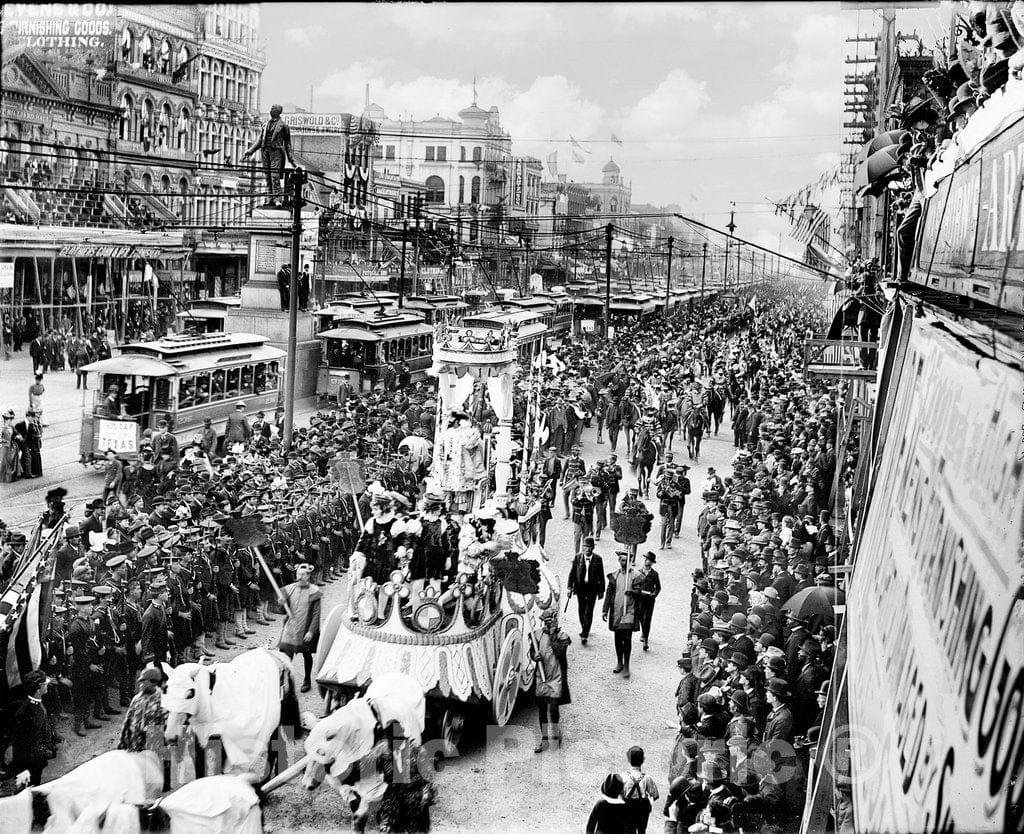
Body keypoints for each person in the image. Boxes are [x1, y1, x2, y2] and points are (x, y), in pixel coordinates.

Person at [276, 562, 321, 692]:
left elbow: (316, 614)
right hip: (291, 627)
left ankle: (307, 680)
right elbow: (282, 611)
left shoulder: (314, 591)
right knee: (285, 656)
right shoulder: (289, 589)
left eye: (304, 574)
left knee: (307, 655)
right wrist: (281, 604)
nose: (301, 577)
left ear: (308, 576)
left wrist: (311, 631)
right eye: (299, 574)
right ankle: (284, 682)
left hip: (306, 628)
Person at [532, 608, 570, 752]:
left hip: (556, 677)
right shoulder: (537, 635)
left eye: (550, 622)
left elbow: (559, 652)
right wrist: (533, 656)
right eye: (545, 623)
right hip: (541, 677)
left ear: (555, 620)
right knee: (542, 710)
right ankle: (544, 738)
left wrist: (553, 635)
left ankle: (555, 732)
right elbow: (532, 651)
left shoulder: (562, 636)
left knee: (553, 708)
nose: (547, 625)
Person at [242, 103, 296, 205]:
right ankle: (270, 198)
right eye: (271, 109)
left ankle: (277, 200)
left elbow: (288, 144)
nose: (271, 111)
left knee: (274, 176)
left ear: (278, 112)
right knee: (267, 176)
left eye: (273, 109)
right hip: (265, 151)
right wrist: (250, 151)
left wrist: (291, 159)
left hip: (276, 152)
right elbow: (259, 141)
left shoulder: (284, 126)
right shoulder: (265, 124)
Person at [8, 670, 57, 785]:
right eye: (45, 684)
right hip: (31, 760)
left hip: (36, 756)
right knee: (32, 786)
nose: (47, 686)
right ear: (39, 688)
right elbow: (26, 740)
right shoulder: (30, 711)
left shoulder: (36, 704)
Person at [603, 551, 642, 679]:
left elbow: (640, 593)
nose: (623, 563)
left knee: (627, 638)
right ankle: (619, 662)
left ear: (630, 561)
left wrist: (632, 592)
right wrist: (605, 610)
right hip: (616, 611)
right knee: (618, 638)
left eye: (626, 560)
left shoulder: (636, 576)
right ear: (619, 561)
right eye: (622, 560)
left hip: (629, 611)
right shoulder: (614, 576)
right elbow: (609, 593)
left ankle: (627, 665)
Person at [567, 536, 605, 645]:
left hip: (592, 589)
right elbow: (572, 573)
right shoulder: (578, 558)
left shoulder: (598, 559)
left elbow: (601, 575)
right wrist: (569, 587)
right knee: (581, 609)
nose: (587, 549)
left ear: (593, 547)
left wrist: (601, 590)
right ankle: (584, 626)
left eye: (589, 547)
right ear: (583, 547)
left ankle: (585, 633)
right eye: (585, 546)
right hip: (580, 588)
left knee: (589, 611)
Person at [620, 745, 659, 834]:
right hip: (642, 809)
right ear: (642, 761)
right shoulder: (647, 778)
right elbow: (655, 795)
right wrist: (649, 805)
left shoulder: (623, 777)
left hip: (627, 808)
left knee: (628, 830)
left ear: (628, 760)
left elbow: (618, 795)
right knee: (642, 831)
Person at [634, 552, 661, 651]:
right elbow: (635, 585)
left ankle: (645, 639)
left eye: (648, 560)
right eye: (645, 559)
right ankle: (643, 632)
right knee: (641, 617)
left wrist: (654, 594)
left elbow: (658, 587)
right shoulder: (638, 572)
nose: (646, 561)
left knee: (647, 618)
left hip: (649, 600)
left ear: (652, 563)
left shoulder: (654, 574)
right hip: (640, 599)